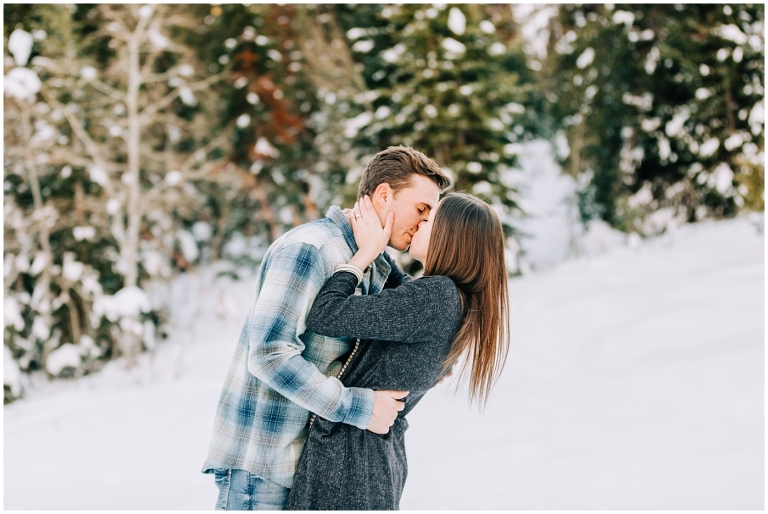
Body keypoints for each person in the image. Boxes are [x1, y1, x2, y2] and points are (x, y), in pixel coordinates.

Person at [201, 146, 452, 510]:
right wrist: (358, 407)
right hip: (266, 465)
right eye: (421, 209)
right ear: (384, 194)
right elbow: (269, 354)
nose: (424, 222)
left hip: (311, 468)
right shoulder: (311, 248)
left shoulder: (376, 262)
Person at [285, 191, 511, 510]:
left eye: (429, 219)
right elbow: (399, 288)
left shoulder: (436, 297)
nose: (419, 223)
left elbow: (326, 314)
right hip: (370, 460)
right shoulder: (455, 301)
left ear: (450, 236)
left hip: (348, 463)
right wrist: (378, 239)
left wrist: (362, 256)